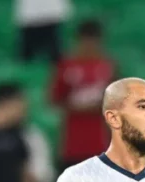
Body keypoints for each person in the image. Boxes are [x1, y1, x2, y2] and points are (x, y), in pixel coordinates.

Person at [49, 19, 116, 172]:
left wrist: (98, 106)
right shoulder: (66, 66)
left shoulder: (108, 66)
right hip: (72, 144)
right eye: (85, 41)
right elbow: (54, 99)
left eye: (93, 41)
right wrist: (76, 107)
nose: (89, 46)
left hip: (100, 143)